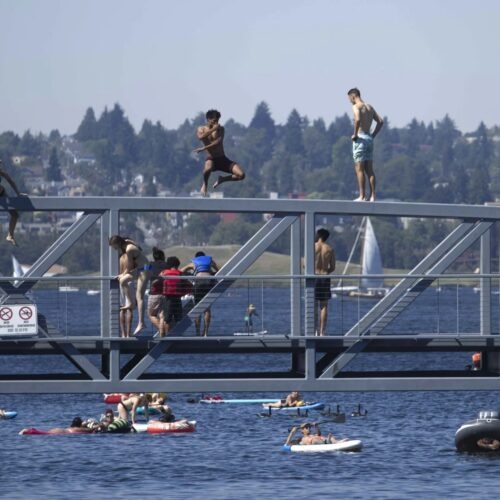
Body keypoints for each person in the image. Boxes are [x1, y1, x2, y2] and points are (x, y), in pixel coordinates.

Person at [194, 109, 245, 196]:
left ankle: (222, 179)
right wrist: (213, 129)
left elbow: (217, 143)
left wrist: (203, 148)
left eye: (217, 120)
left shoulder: (220, 129)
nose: (216, 122)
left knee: (241, 175)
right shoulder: (201, 129)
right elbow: (201, 137)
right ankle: (205, 184)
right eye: (214, 120)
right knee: (207, 169)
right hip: (211, 159)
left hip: (222, 158)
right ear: (208, 119)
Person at [109, 235, 151, 335]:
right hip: (140, 269)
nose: (114, 248)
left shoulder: (128, 249)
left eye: (114, 246)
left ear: (118, 243)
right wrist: (122, 275)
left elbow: (129, 267)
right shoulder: (128, 242)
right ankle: (130, 303)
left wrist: (122, 274)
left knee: (139, 296)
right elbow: (139, 249)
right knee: (123, 281)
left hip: (145, 270)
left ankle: (141, 323)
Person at [347, 88, 384, 202]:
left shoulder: (356, 107)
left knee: (359, 169)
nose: (350, 102)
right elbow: (380, 121)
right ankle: (372, 196)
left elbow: (357, 119)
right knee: (370, 170)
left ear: (353, 96)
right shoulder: (369, 107)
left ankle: (362, 196)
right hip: (369, 139)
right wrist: (373, 135)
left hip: (361, 139)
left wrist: (355, 134)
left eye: (349, 99)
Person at [181, 251, 219, 337]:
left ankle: (197, 333)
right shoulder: (210, 261)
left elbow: (181, 271)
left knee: (198, 309)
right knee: (207, 309)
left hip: (198, 283)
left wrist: (189, 275)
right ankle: (205, 333)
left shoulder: (193, 262)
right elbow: (219, 270)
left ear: (196, 257)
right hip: (209, 283)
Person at [0, 159, 27, 245]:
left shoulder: (1, 172)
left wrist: (18, 193)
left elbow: (11, 181)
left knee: (15, 215)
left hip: (2, 194)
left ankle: (10, 235)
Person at [315, 228, 336, 336]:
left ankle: (314, 331)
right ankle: (322, 332)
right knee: (323, 306)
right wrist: (325, 271)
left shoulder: (312, 247)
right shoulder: (330, 249)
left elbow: (305, 264)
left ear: (318, 236)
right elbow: (332, 267)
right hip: (324, 277)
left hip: (313, 277)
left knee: (313, 304)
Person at [159, 256, 185, 336]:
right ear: (177, 265)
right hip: (177, 298)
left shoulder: (164, 272)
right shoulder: (179, 273)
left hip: (168, 298)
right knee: (178, 318)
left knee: (167, 319)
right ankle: (178, 335)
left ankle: (167, 335)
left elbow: (159, 279)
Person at [147, 247, 168, 334]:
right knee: (162, 316)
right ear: (163, 257)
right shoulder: (167, 265)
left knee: (151, 315)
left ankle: (161, 330)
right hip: (166, 293)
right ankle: (163, 333)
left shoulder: (150, 265)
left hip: (154, 293)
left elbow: (141, 270)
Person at [285, 422, 349, 446]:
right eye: (306, 427)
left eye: (309, 427)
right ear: (302, 431)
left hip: (324, 441)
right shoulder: (300, 439)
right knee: (314, 440)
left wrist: (316, 426)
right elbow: (287, 444)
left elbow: (319, 434)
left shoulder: (313, 435)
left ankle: (338, 442)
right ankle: (329, 442)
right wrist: (292, 432)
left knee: (331, 438)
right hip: (317, 443)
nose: (309, 428)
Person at [119, 252, 134, 337]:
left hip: (120, 281)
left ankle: (123, 333)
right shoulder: (130, 258)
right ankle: (128, 333)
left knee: (122, 308)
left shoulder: (120, 258)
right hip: (129, 281)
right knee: (129, 308)